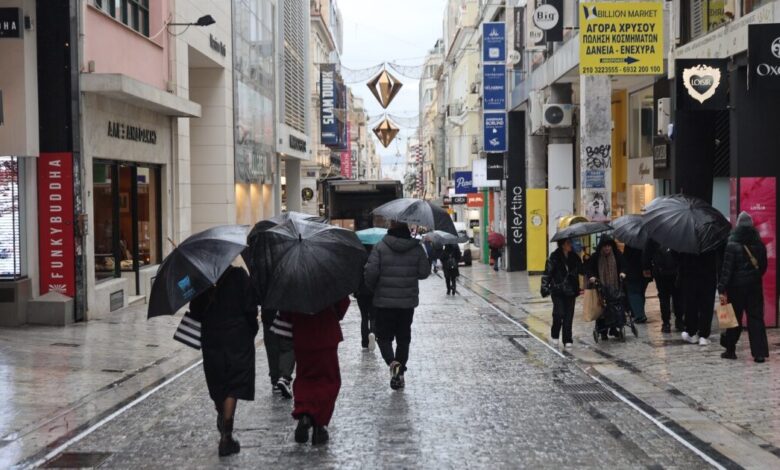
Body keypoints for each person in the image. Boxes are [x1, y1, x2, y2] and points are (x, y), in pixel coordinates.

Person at [190, 266, 258, 457]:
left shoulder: (200, 279)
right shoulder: (239, 275)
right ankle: (226, 435)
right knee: (233, 382)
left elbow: (195, 312)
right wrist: (251, 329)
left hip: (212, 337)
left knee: (218, 379)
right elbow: (250, 307)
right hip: (238, 335)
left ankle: (222, 415)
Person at [364, 221, 430, 390]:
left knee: (383, 337)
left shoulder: (380, 247)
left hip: (384, 303)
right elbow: (424, 273)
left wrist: (374, 289)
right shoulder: (416, 248)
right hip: (407, 303)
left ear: (390, 230)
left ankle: (392, 363)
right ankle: (399, 372)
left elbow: (370, 273)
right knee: (403, 338)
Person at [280, 297, 351, 445]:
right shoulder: (330, 276)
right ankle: (320, 425)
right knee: (329, 379)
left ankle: (305, 412)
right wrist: (334, 314)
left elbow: (285, 308)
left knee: (305, 377)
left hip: (303, 334)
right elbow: (343, 302)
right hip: (327, 333)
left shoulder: (294, 278)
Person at [718, 212, 769, 362]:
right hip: (754, 287)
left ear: (738, 225)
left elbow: (727, 269)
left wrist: (722, 286)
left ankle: (730, 350)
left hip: (736, 288)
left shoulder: (732, 244)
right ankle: (759, 354)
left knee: (734, 319)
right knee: (756, 318)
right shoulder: (759, 244)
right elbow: (763, 267)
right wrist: (755, 276)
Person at [541, 238, 583, 348]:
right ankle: (555, 335)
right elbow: (547, 273)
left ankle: (567, 339)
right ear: (563, 245)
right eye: (568, 243)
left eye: (570, 242)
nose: (571, 245)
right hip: (558, 290)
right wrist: (545, 287)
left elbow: (582, 270)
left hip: (571, 290)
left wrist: (585, 258)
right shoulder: (554, 257)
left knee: (569, 316)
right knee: (559, 314)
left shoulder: (574, 257)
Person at [587, 236, 627, 341]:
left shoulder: (617, 254)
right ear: (601, 247)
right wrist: (592, 276)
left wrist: (622, 272)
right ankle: (602, 330)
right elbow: (589, 269)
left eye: (609, 246)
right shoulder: (596, 257)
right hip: (601, 286)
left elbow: (623, 265)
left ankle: (614, 328)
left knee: (615, 306)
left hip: (615, 286)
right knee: (602, 308)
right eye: (605, 246)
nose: (607, 249)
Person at [680, 250, 718, 346]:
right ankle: (703, 336)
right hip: (708, 275)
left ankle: (692, 332)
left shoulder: (687, 239)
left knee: (691, 304)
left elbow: (677, 255)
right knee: (707, 306)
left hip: (690, 275)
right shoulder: (711, 240)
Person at [644, 241, 683, 333]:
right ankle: (679, 320)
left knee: (664, 298)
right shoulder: (676, 232)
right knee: (678, 296)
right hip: (675, 272)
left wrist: (647, 268)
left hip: (660, 273)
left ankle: (666, 323)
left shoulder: (654, 234)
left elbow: (646, 254)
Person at [260, 307, 295, 398]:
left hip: (269, 310)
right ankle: (283, 377)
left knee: (272, 345)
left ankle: (276, 380)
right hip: (287, 312)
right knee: (287, 346)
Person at [356, 244, 376, 351]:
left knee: (364, 317)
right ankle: (373, 333)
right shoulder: (375, 257)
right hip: (373, 291)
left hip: (361, 292)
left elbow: (355, 276)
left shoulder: (358, 258)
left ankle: (365, 342)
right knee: (373, 316)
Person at [623, 245, 649, 324]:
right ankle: (639, 312)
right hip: (644, 273)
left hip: (632, 273)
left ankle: (639, 315)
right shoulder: (645, 242)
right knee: (640, 293)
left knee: (634, 293)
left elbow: (626, 258)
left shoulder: (630, 244)